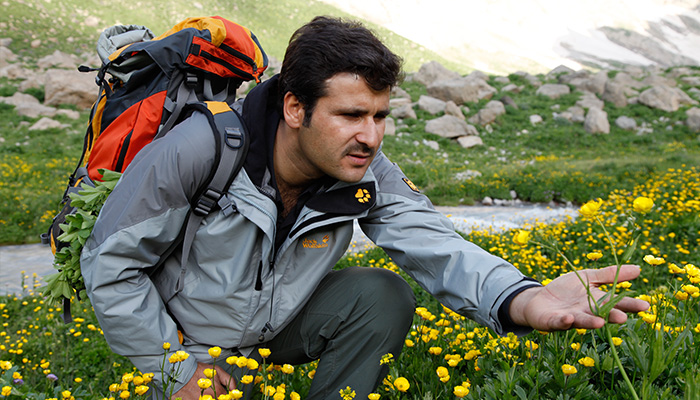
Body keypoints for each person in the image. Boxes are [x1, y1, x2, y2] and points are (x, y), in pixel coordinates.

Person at [80, 16, 649, 399]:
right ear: (296, 108)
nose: (371, 137)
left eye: (380, 116)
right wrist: (175, 369)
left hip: (273, 326)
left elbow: (435, 243)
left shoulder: (364, 168)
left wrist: (521, 298)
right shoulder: (199, 149)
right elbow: (110, 265)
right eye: (352, 115)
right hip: (187, 343)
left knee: (381, 294)